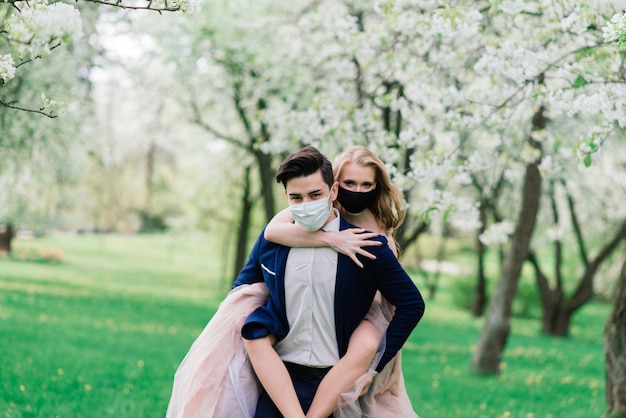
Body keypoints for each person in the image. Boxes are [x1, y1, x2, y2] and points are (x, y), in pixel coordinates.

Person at [236, 146, 425, 417]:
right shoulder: (279, 236)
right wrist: (330, 238)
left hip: (358, 327)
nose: (357, 191)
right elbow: (263, 249)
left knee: (367, 344)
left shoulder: (374, 241)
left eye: (365, 185)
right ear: (338, 185)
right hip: (285, 371)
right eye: (350, 183)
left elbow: (404, 305)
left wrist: (381, 364)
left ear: (331, 191)